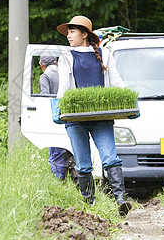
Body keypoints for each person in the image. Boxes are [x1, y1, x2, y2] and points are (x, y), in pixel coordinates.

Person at [56, 15, 132, 216]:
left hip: (101, 117)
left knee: (110, 158)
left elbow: (115, 80)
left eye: (72, 31)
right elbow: (63, 85)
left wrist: (130, 101)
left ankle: (121, 200)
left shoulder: (104, 54)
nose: (69, 36)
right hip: (75, 120)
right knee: (83, 164)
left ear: (84, 34)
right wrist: (58, 105)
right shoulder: (66, 57)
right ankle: (90, 205)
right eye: (68, 32)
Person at [39, 56, 74, 180]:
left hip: (55, 121)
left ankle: (58, 183)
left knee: (56, 154)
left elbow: (44, 99)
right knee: (72, 152)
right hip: (72, 119)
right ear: (57, 63)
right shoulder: (66, 74)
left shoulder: (45, 77)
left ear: (41, 64)